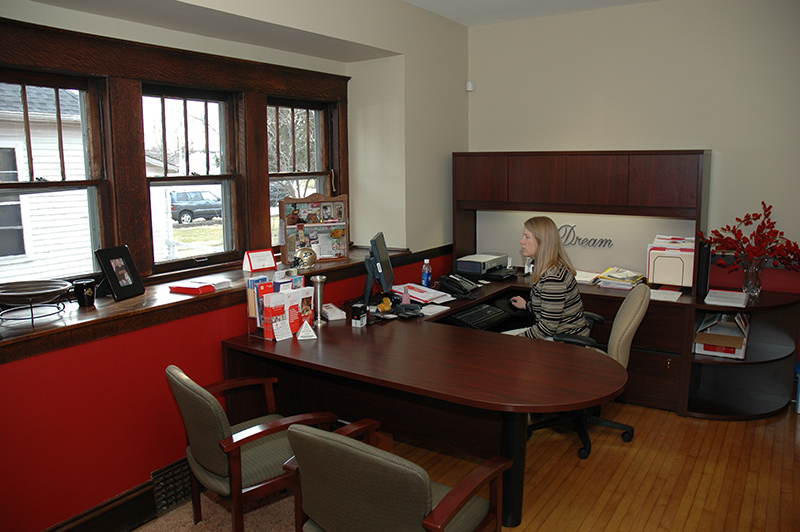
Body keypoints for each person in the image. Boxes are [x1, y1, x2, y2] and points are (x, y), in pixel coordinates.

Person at [507, 216, 590, 339]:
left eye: (527, 237)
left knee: (501, 345)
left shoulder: (553, 278)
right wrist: (527, 306)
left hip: (564, 342)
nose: (521, 241)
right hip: (558, 334)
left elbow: (547, 328)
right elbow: (548, 308)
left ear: (542, 242)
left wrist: (517, 340)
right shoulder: (550, 267)